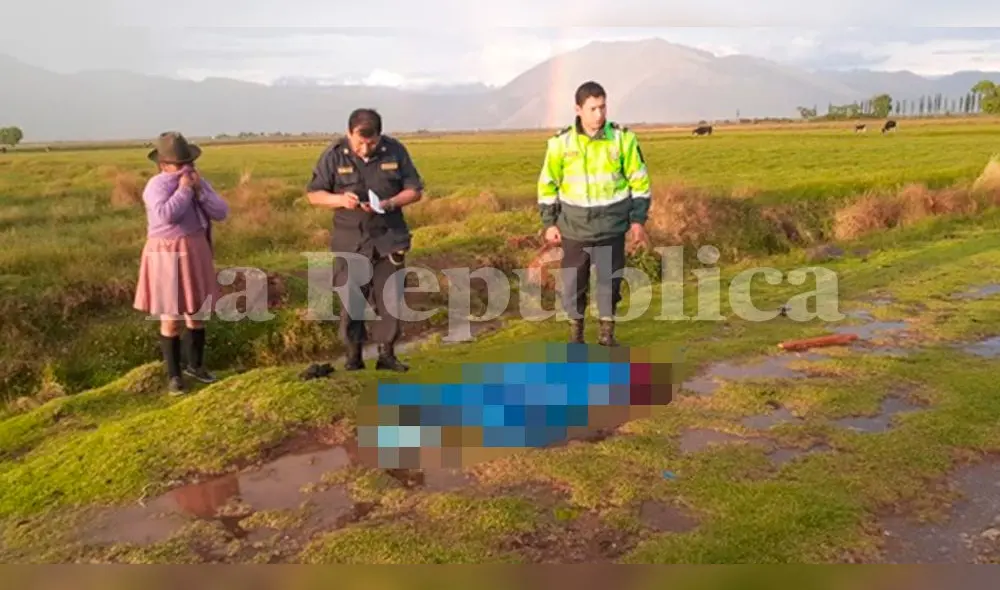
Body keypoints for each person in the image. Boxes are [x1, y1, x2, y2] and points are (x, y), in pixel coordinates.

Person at [305, 108, 423, 372]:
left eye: (371, 143)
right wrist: (339, 200)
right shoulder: (334, 154)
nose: (366, 149)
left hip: (389, 236)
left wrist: (390, 202)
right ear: (349, 133)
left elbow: (414, 190)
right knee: (352, 298)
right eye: (360, 142)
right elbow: (314, 194)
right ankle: (353, 357)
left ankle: (387, 355)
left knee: (390, 296)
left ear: (380, 136)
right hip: (350, 238)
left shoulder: (395, 150)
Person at [537, 81, 652, 346]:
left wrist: (638, 221)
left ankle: (607, 335)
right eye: (593, 109)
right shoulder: (560, 143)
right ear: (578, 109)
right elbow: (547, 185)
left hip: (612, 226)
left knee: (609, 284)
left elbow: (640, 182)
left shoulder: (623, 139)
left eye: (603, 107)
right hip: (574, 228)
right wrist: (549, 222)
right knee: (573, 284)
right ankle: (575, 335)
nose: (599, 114)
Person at [133, 131, 229, 394]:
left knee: (197, 313)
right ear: (163, 165)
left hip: (196, 249)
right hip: (166, 253)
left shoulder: (199, 182)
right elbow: (167, 216)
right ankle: (174, 376)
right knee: (170, 316)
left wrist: (200, 192)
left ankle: (196, 366)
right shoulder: (156, 186)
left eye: (189, 163)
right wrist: (185, 189)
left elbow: (221, 212)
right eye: (179, 164)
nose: (186, 169)